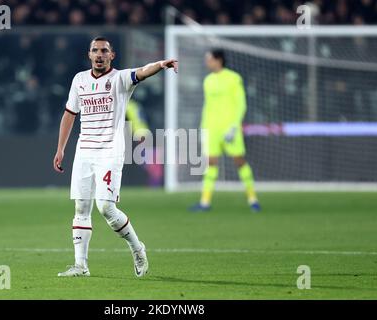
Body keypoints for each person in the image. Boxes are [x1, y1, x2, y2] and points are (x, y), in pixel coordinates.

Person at [53, 36, 178, 277]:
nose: (99, 54)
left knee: (106, 208)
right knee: (81, 206)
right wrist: (61, 149)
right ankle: (81, 265)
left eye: (103, 51)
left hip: (110, 151)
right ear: (89, 54)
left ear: (112, 56)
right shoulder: (79, 80)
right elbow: (70, 114)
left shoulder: (120, 79)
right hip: (84, 151)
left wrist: (161, 64)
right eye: (94, 50)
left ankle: (137, 248)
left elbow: (142, 72)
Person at [189, 49, 260, 213]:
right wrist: (203, 127)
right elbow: (208, 106)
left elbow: (241, 104)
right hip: (211, 128)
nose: (207, 62)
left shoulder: (234, 78)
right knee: (210, 164)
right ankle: (205, 202)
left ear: (218, 60)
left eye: (209, 59)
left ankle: (253, 199)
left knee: (239, 161)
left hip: (229, 129)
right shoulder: (208, 80)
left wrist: (234, 126)